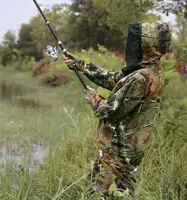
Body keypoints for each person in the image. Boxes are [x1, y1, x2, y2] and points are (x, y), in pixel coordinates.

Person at [63, 22, 171, 198]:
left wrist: (94, 99)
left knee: (96, 193)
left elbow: (110, 112)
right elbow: (115, 79)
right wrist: (83, 66)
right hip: (133, 148)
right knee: (125, 193)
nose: (131, 46)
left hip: (119, 150)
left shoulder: (141, 77)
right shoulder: (152, 69)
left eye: (136, 43)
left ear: (147, 46)